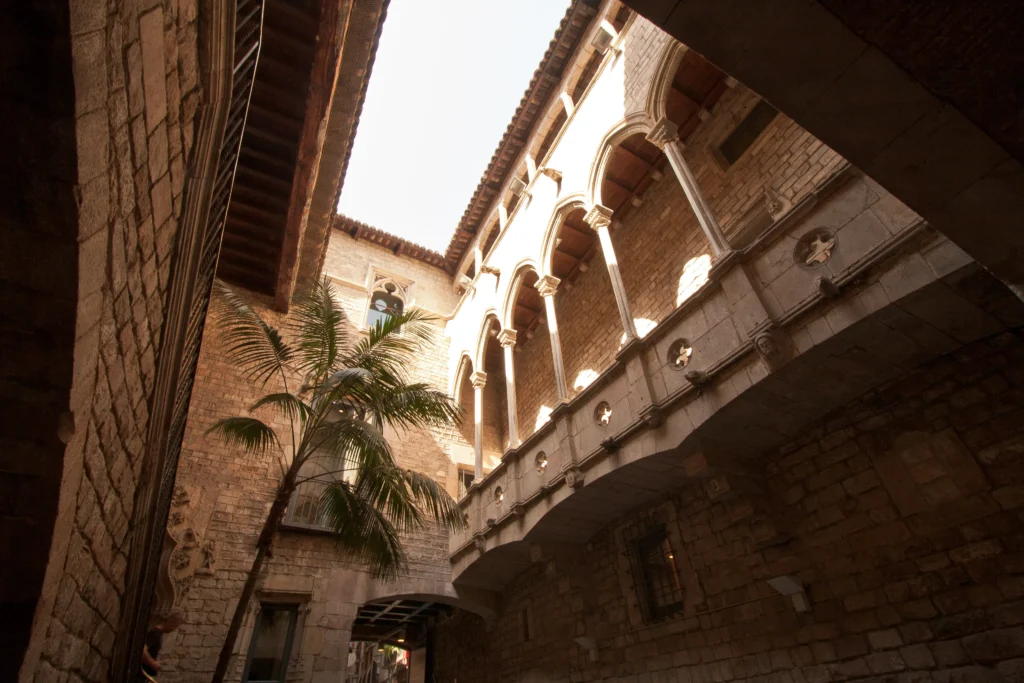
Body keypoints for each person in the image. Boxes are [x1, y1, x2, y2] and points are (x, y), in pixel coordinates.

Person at [139, 611, 184, 682]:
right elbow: (142, 650)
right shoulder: (155, 633)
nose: (173, 629)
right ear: (171, 621)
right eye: (174, 626)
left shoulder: (158, 633)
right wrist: (153, 663)